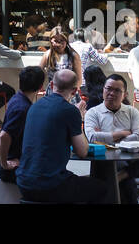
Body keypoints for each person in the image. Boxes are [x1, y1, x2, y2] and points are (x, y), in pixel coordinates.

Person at [15, 69, 108, 203]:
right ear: (75, 91)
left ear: (52, 85)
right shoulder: (70, 111)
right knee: (101, 188)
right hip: (50, 184)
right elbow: (82, 151)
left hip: (24, 181)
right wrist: (78, 118)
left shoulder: (35, 106)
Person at [83, 73, 139, 202]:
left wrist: (107, 138)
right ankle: (123, 176)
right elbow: (93, 137)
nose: (111, 93)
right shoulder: (93, 113)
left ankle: (121, 175)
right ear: (103, 90)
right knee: (128, 185)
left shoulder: (131, 111)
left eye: (117, 90)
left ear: (125, 95)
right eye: (108, 89)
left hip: (129, 158)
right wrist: (124, 133)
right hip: (104, 160)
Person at [0, 65, 45, 183]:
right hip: (13, 168)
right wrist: (4, 164)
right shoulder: (22, 109)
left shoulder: (18, 99)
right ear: (40, 87)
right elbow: (4, 135)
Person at [39, 31, 83, 104]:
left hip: (70, 93)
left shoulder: (73, 56)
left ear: (66, 41)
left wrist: (71, 94)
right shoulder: (48, 55)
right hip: (52, 93)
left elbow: (79, 79)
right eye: (56, 41)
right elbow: (38, 72)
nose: (59, 44)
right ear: (51, 41)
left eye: (62, 41)